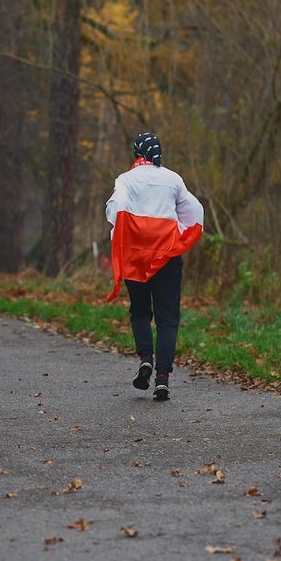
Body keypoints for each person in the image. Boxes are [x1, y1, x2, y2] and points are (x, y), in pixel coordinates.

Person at [105, 132, 204, 401]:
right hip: (168, 257)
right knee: (167, 319)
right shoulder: (174, 179)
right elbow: (194, 210)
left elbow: (116, 207)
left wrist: (123, 234)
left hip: (136, 257)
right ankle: (162, 378)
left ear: (137, 153)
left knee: (139, 312)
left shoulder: (125, 179)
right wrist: (179, 234)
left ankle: (145, 359)